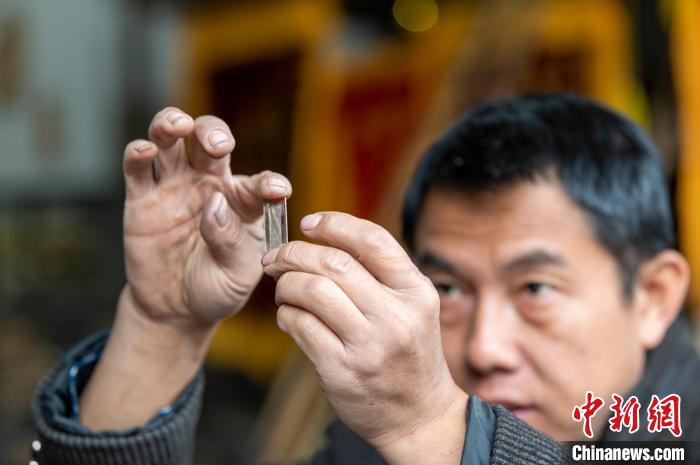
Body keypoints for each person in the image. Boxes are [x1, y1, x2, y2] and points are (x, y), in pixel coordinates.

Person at [31, 94, 700, 464]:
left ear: (653, 297)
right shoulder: (366, 446)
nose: (484, 349)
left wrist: (432, 429)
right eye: (448, 288)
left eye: (536, 290)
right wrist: (161, 327)